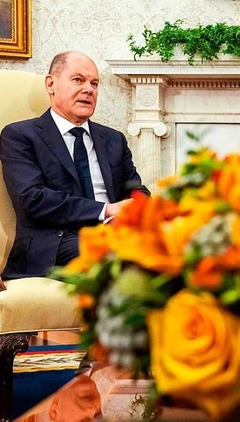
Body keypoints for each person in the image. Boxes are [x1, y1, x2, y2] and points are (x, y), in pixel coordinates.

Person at [0, 51, 149, 280]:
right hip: (57, 241)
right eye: (78, 80)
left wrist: (136, 208)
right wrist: (106, 210)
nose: (89, 89)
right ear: (51, 84)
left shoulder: (113, 139)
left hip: (116, 231)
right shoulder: (20, 135)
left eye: (95, 83)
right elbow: (33, 199)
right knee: (128, 255)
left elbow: (137, 189)